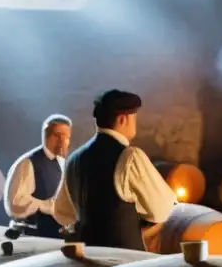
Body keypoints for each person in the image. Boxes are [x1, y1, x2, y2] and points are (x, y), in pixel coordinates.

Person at [53, 90, 176, 250]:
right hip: (124, 264)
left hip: (88, 257)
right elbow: (162, 209)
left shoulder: (75, 159)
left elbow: (62, 213)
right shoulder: (130, 157)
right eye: (134, 117)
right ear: (123, 119)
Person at [3, 114, 72, 238]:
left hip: (53, 234)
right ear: (45, 135)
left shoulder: (62, 163)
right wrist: (46, 206)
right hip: (32, 235)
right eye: (57, 135)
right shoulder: (27, 163)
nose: (62, 141)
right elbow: (15, 203)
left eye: (66, 137)